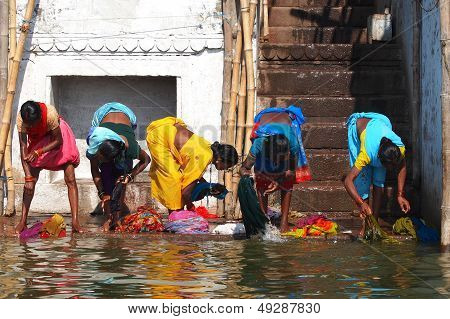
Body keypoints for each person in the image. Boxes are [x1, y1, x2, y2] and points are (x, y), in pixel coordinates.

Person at [240, 105, 311, 233]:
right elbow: (244, 168)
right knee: (261, 177)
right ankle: (263, 219)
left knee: (287, 182)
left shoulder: (293, 143)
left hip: (287, 124)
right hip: (264, 122)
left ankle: (284, 222)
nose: (278, 163)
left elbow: (291, 171)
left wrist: (278, 182)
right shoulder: (259, 144)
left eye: (282, 159)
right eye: (276, 160)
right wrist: (249, 179)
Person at [15, 100, 82, 233]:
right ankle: (22, 221)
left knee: (70, 178)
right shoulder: (21, 120)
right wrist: (28, 177)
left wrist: (38, 152)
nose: (31, 127)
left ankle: (75, 221)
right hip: (39, 141)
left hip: (59, 139)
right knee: (30, 182)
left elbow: (58, 141)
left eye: (33, 124)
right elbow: (23, 147)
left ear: (40, 117)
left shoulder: (50, 114)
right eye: (29, 125)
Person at [146, 117, 238, 212]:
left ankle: (177, 215)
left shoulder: (208, 149)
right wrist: (190, 207)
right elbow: (186, 193)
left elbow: (192, 174)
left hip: (167, 128)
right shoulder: (204, 158)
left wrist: (206, 186)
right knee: (173, 180)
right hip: (159, 137)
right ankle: (176, 218)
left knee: (177, 180)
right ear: (219, 160)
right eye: (227, 166)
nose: (226, 169)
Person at [86, 102, 151, 230]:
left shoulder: (130, 148)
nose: (99, 159)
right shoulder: (96, 145)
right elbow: (95, 169)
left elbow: (146, 159)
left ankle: (117, 216)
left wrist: (130, 176)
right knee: (107, 175)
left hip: (127, 116)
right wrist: (102, 193)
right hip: (103, 114)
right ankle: (109, 216)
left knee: (122, 176)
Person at [343, 112, 410, 224]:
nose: (391, 170)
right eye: (388, 166)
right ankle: (366, 224)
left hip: (381, 122)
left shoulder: (399, 148)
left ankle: (375, 221)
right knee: (362, 180)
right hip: (359, 128)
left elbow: (402, 166)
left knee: (379, 180)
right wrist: (361, 203)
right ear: (379, 158)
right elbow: (348, 180)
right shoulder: (366, 154)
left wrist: (400, 194)